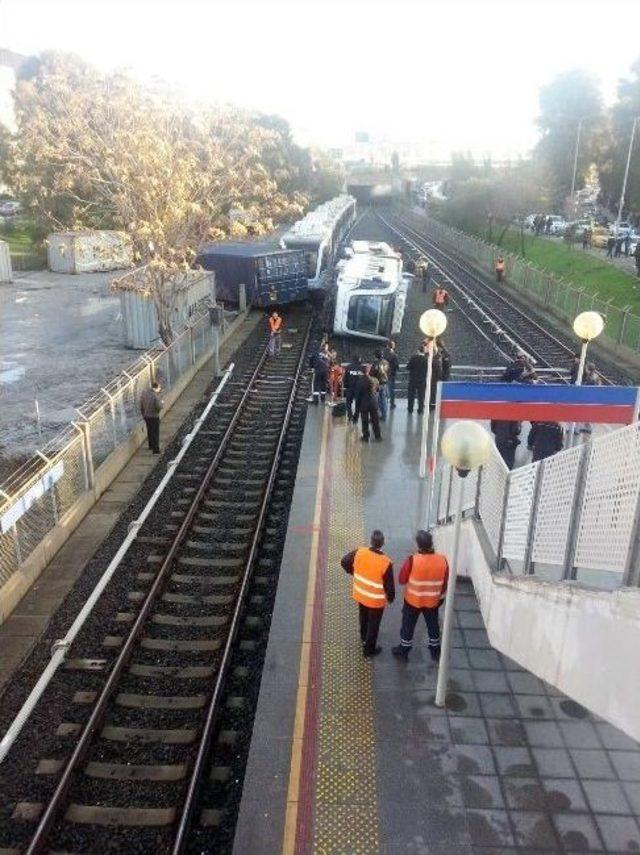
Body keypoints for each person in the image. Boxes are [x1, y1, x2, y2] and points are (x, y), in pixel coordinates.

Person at [392, 530, 448, 662]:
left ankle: (404, 650)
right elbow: (445, 583)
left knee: (408, 626)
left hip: (413, 601)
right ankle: (435, 649)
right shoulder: (442, 560)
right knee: (433, 625)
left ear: (418, 545)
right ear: (431, 544)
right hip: (432, 601)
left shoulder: (412, 560)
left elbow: (401, 579)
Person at [341, 529, 394, 658]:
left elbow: (344, 561)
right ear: (383, 543)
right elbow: (389, 585)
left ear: (371, 541)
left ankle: (363, 637)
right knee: (374, 624)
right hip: (375, 600)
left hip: (360, 593)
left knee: (363, 616)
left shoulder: (359, 552)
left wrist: (353, 572)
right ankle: (369, 650)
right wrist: (391, 598)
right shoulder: (386, 562)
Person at [356, 364, 382, 442]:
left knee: (365, 420)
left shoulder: (360, 381)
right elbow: (378, 390)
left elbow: (358, 395)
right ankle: (378, 436)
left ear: (361, 372)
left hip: (364, 402)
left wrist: (358, 406)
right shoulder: (375, 380)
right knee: (375, 419)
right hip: (374, 402)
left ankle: (366, 436)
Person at [140, 381, 163, 454]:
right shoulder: (155, 396)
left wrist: (143, 413)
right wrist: (162, 404)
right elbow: (158, 406)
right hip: (154, 416)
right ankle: (156, 450)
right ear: (157, 388)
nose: (160, 390)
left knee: (149, 431)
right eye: (159, 388)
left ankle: (151, 445)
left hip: (146, 416)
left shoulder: (144, 394)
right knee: (155, 432)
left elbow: (141, 405)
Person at [407, 346, 428, 414]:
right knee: (421, 395)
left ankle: (410, 409)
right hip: (422, 380)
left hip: (413, 379)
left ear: (418, 350)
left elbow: (408, 367)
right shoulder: (426, 359)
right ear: (424, 351)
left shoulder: (413, 358)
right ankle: (420, 409)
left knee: (411, 395)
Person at [371, 350, 390, 422]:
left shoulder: (376, 363)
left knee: (376, 401)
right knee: (384, 401)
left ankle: (376, 416)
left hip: (377, 384)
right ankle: (384, 416)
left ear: (376, 356)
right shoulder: (386, 362)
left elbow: (372, 373)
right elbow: (389, 372)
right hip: (385, 383)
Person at [344, 355, 364, 423]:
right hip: (359, 389)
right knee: (358, 403)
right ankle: (356, 418)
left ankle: (350, 416)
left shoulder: (348, 367)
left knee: (348, 403)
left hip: (350, 388)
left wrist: (346, 386)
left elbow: (345, 378)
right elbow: (364, 378)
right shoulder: (362, 368)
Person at [383, 340, 399, 410]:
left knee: (384, 389)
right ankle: (392, 403)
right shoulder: (393, 354)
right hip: (391, 374)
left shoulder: (383, 353)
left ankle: (384, 402)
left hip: (384, 373)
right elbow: (396, 365)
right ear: (392, 346)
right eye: (394, 344)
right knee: (391, 389)